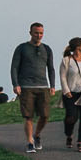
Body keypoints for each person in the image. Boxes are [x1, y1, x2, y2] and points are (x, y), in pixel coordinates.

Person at [9, 22, 56, 153]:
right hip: (26, 87)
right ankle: (29, 142)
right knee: (28, 116)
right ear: (30, 33)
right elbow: (14, 67)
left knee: (45, 115)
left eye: (41, 33)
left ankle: (37, 135)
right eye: (36, 33)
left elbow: (51, 69)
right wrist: (15, 84)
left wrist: (52, 85)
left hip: (43, 86)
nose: (39, 35)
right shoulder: (22, 48)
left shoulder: (47, 49)